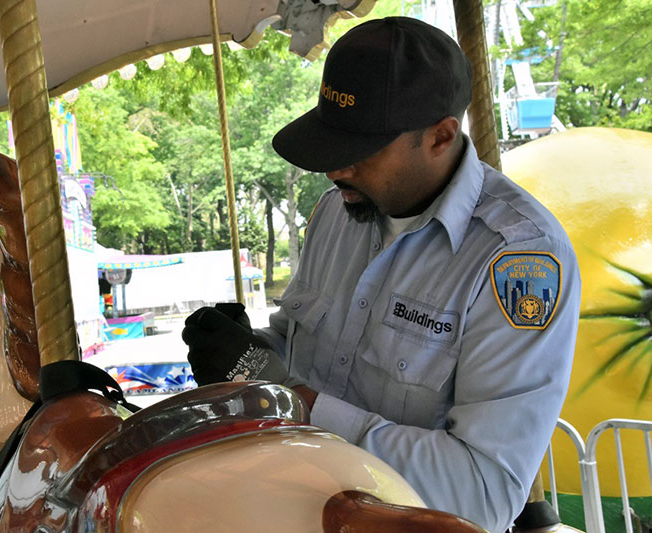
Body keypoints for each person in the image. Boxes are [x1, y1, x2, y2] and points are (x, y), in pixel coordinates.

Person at [182, 17, 580, 533]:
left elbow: (483, 493)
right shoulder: (336, 212)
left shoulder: (518, 259)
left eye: (360, 150)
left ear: (440, 137)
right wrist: (246, 349)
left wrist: (292, 402)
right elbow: (301, 347)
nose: (335, 170)